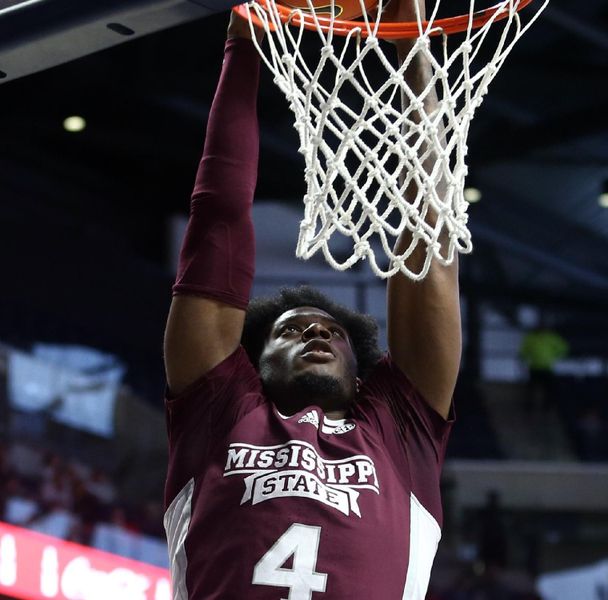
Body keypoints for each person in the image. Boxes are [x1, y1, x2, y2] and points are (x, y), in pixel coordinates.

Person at [161, 3, 460, 599]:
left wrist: (411, 44)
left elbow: (429, 230)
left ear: (361, 374)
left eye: (332, 333)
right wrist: (241, 50)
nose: (317, 334)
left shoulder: (399, 432)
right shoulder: (219, 411)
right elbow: (217, 216)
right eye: (291, 331)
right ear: (252, 362)